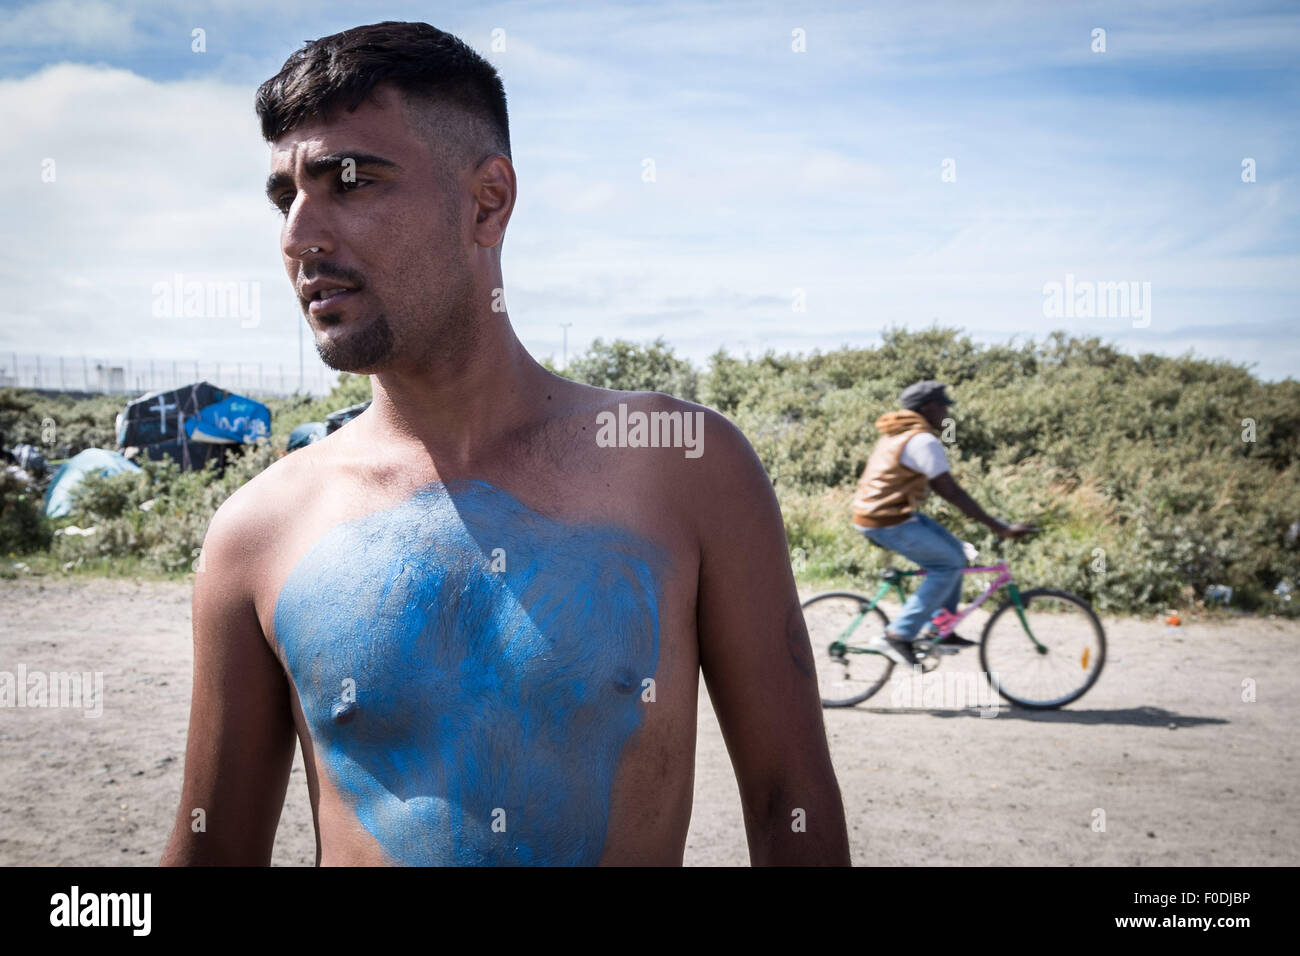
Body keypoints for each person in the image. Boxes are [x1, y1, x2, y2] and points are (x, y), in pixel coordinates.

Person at [159, 21, 849, 867]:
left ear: (488, 201)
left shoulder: (681, 467)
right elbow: (209, 852)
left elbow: (792, 808)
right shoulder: (258, 531)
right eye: (285, 197)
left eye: (350, 183)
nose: (301, 236)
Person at [850, 380, 1036, 666]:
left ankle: (940, 629)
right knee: (947, 564)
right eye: (943, 407)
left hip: (891, 513)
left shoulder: (899, 434)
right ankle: (898, 635)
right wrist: (999, 526)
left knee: (958, 555)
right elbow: (950, 491)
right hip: (885, 519)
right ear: (928, 408)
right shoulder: (922, 440)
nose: (947, 414)